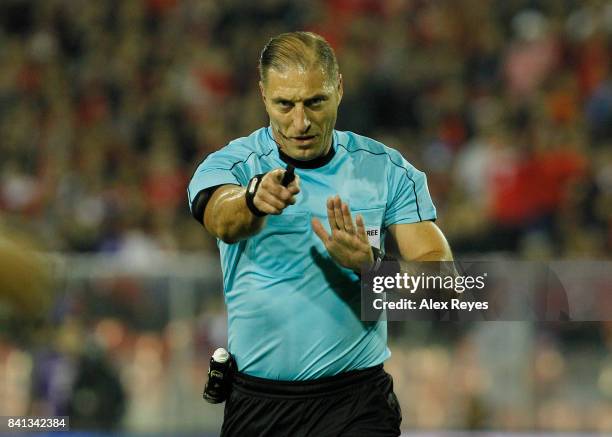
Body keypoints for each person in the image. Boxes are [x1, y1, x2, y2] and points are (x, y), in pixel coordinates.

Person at [188, 31, 452, 437]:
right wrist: (254, 201)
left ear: (339, 89)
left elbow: (446, 287)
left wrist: (371, 267)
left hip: (357, 404)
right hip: (258, 407)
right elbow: (222, 218)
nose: (301, 122)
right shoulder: (233, 165)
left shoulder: (387, 170)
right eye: (285, 104)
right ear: (263, 97)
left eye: (315, 101)